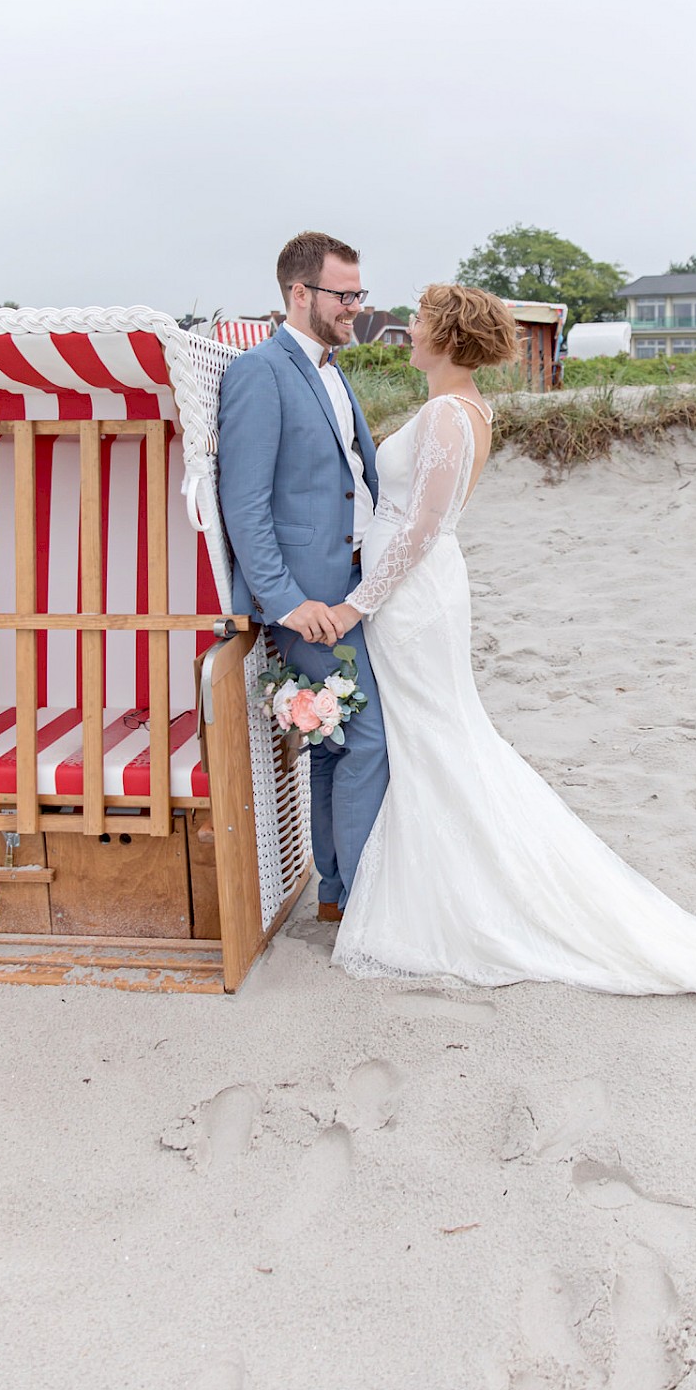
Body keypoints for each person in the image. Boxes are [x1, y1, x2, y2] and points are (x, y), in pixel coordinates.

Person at [323, 284, 696, 1008]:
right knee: (433, 740)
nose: (408, 330)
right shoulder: (458, 408)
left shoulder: (452, 413)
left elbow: (420, 527)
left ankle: (467, 892)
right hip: (414, 592)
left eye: (418, 321)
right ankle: (439, 879)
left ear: (446, 336)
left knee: (440, 739)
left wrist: (357, 602)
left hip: (410, 598)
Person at [217, 231, 388, 923]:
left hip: (350, 589)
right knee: (369, 742)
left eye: (358, 294)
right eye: (343, 295)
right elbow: (245, 505)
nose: (355, 307)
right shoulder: (261, 371)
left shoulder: (330, 368)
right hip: (308, 602)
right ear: (300, 293)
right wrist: (287, 604)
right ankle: (366, 899)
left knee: (335, 744)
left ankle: (335, 897)